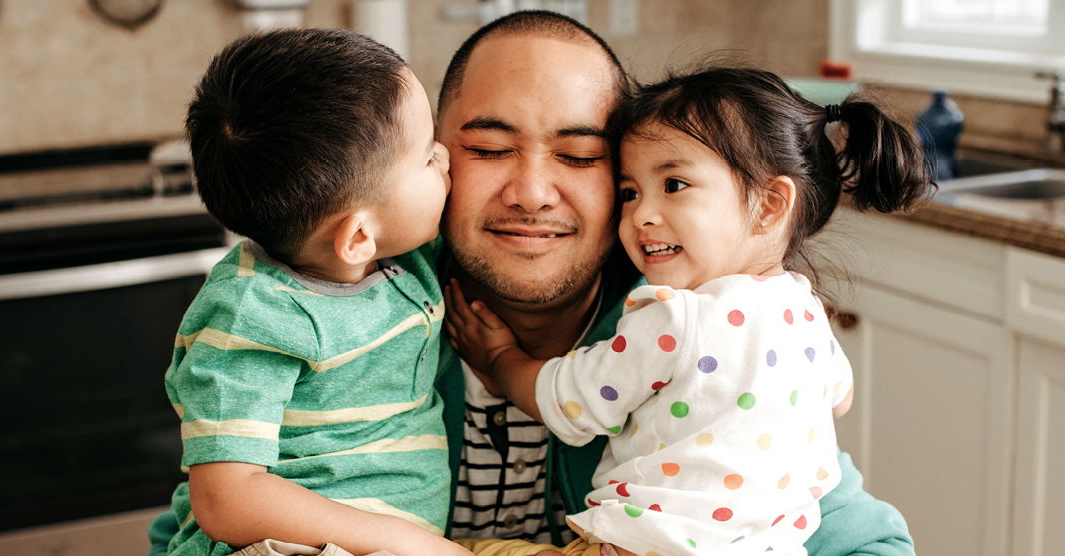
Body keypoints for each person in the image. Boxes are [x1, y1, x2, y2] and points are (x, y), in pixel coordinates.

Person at [151, 12, 917, 556]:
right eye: (486, 148)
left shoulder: (688, 333)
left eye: (581, 158)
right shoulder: (344, 306)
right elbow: (201, 516)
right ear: (429, 160)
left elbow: (863, 538)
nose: (531, 192)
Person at [443, 66, 932, 556]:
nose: (642, 215)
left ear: (769, 204)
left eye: (674, 185)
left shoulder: (674, 318)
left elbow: (570, 401)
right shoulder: (806, 312)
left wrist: (500, 359)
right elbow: (838, 399)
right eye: (631, 192)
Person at [158, 28, 467, 556]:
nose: (445, 154)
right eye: (426, 158)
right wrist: (407, 543)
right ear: (358, 237)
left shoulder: (402, 261)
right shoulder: (252, 314)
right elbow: (226, 499)